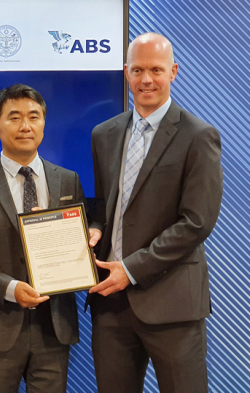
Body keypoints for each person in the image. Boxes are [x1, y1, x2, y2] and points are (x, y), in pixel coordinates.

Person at [88, 32, 223, 393]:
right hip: (110, 305)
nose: (146, 79)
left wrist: (131, 270)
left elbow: (197, 222)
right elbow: (105, 205)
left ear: (174, 71)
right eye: (138, 70)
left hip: (172, 304)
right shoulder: (104, 134)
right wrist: (95, 228)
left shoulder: (199, 136)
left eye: (156, 70)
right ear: (126, 73)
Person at [0, 84, 87, 393]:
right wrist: (11, 288)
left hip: (54, 328)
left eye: (34, 116)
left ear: (44, 123)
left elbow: (79, 246)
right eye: (14, 117)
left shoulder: (68, 179)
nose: (25, 126)